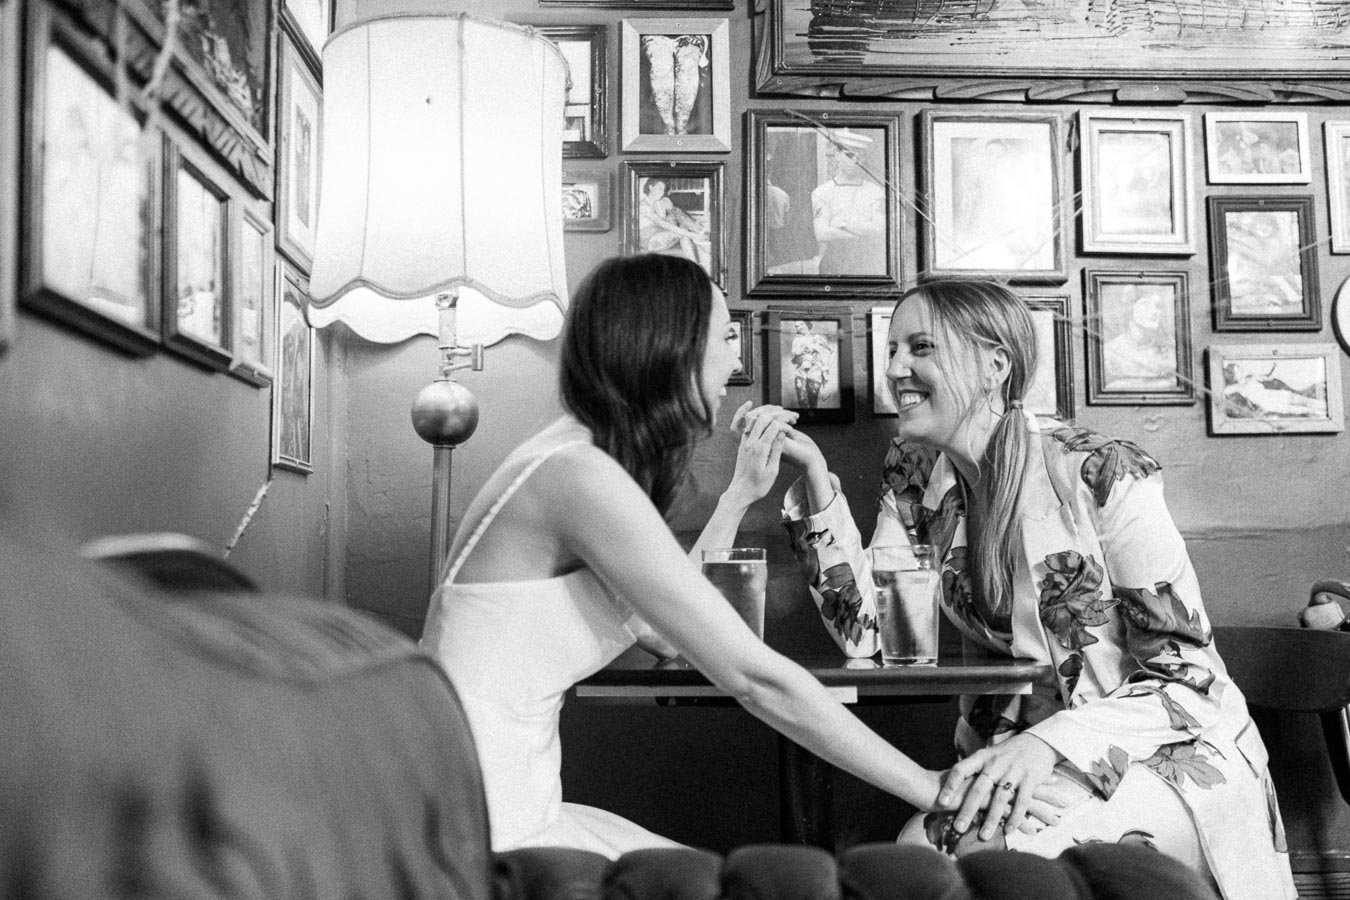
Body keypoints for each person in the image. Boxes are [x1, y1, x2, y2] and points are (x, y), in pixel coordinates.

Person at [419, 256, 1037, 859]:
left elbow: (660, 632)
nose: (738, 360)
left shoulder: (577, 459)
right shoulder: (577, 476)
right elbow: (755, 678)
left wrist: (740, 495)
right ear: (672, 347)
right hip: (479, 828)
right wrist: (931, 787)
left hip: (508, 802)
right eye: (726, 337)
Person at [729, 280, 1296, 900]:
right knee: (923, 846)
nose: (893, 369)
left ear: (996, 364)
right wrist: (815, 478)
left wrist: (1044, 745)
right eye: (892, 349)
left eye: (920, 347)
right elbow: (867, 632)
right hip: (1013, 757)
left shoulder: (1104, 472)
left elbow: (1188, 675)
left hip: (1164, 756)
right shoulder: (915, 477)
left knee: (986, 854)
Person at [811, 131, 886, 275]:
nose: (855, 160)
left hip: (868, 262)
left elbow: (879, 229)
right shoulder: (822, 192)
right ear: (837, 155)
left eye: (860, 155)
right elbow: (821, 234)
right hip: (834, 263)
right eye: (849, 154)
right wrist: (863, 232)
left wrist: (843, 224)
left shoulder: (875, 191)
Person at [1101, 285, 1176, 391]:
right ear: (1129, 308)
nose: (1154, 311)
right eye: (1145, 304)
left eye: (1158, 306)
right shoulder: (1109, 351)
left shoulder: (1171, 350)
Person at [639, 178, 711, 272]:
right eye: (659, 189)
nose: (662, 192)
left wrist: (669, 206)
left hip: (659, 233)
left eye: (663, 190)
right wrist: (691, 234)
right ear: (651, 187)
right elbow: (664, 224)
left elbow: (672, 217)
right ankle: (700, 233)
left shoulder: (657, 203)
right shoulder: (643, 206)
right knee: (684, 233)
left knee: (676, 214)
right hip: (649, 241)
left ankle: (695, 266)